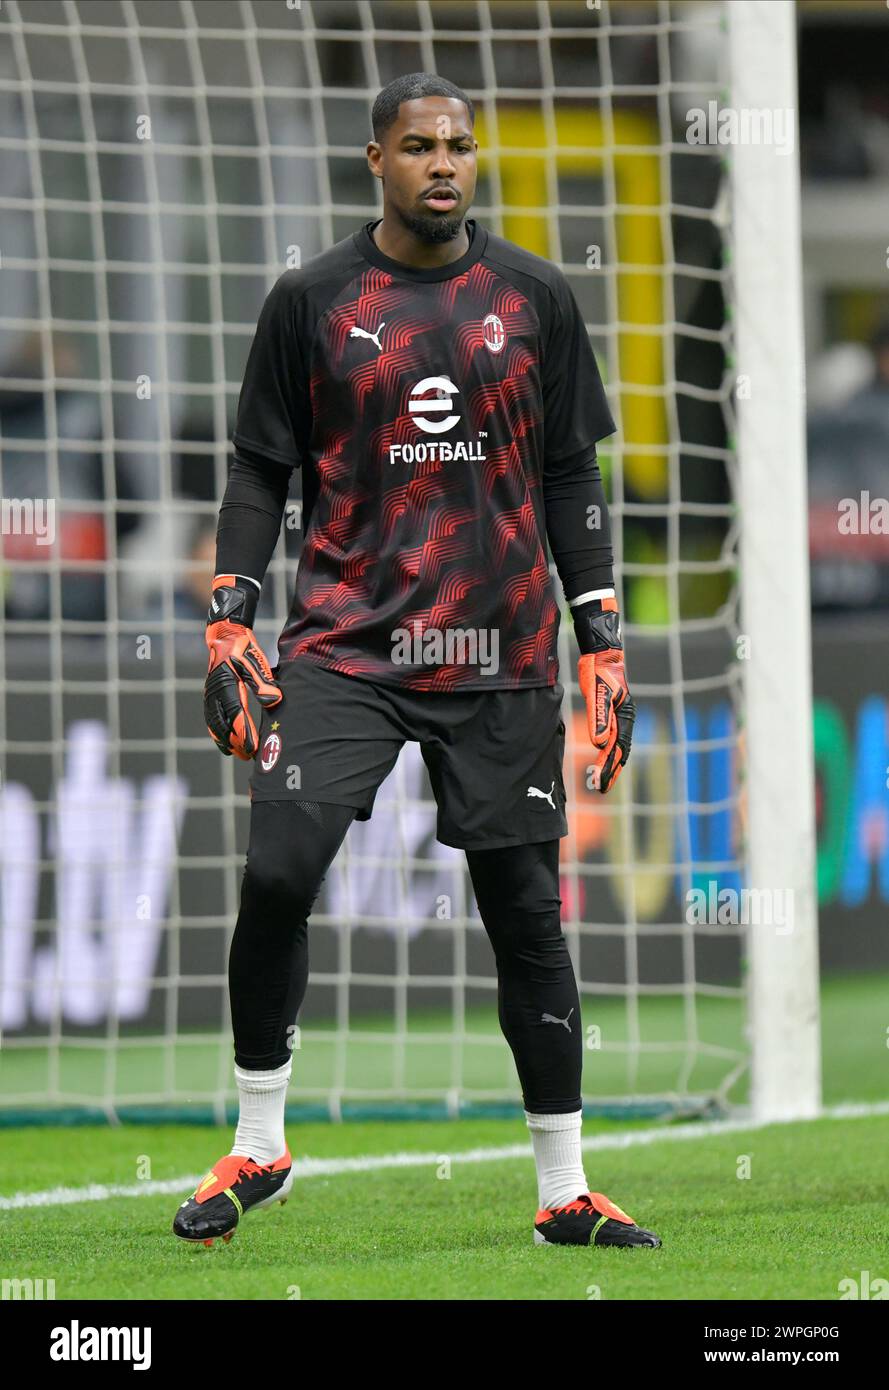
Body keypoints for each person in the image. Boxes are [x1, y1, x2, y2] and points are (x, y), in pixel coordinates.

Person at [173, 73, 656, 1251]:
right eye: (419, 146)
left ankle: (561, 1190)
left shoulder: (535, 297)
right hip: (346, 642)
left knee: (526, 913)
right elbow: (257, 470)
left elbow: (570, 476)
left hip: (497, 649)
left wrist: (600, 635)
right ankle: (261, 1139)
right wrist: (231, 616)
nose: (445, 163)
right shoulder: (312, 300)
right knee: (280, 870)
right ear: (374, 159)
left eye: (460, 146)